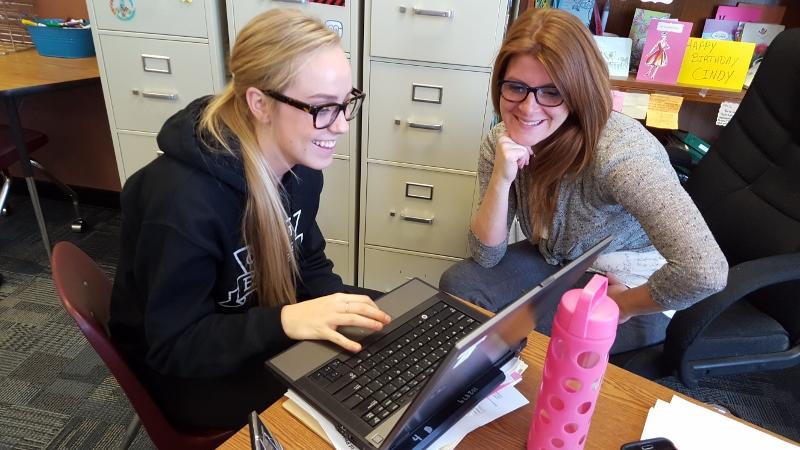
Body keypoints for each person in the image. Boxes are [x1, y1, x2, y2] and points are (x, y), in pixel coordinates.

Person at [109, 9, 391, 430]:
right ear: (260, 103)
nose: (343, 126)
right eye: (323, 108)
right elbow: (175, 345)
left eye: (347, 102)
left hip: (253, 321)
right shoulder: (183, 201)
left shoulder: (301, 166)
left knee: (382, 339)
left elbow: (308, 261)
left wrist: (338, 313)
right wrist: (285, 322)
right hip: (184, 368)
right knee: (340, 406)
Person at [439, 8, 728, 354]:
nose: (528, 109)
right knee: (460, 287)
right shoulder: (502, 141)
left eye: (552, 92)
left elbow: (705, 271)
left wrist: (623, 306)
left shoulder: (622, 154)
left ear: (578, 93)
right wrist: (502, 178)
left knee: (521, 333)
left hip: (633, 283)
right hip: (564, 261)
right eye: (516, 87)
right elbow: (486, 256)